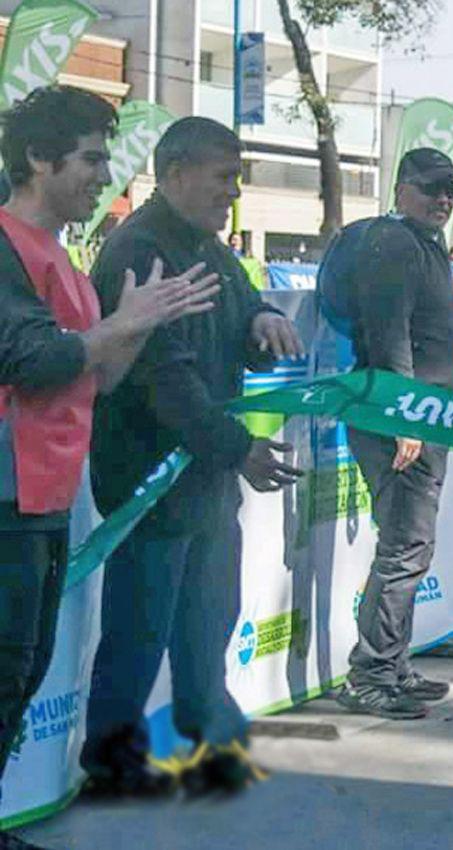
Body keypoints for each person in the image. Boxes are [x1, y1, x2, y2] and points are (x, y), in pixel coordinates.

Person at [0, 87, 221, 849]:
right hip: (9, 496)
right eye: (92, 158)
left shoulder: (63, 254)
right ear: (38, 157)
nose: (104, 175)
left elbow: (96, 380)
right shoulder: (4, 245)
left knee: (20, 675)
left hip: (48, 498)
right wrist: (124, 323)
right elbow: (34, 358)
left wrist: (132, 330)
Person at [84, 116, 305, 797]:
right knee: (138, 632)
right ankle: (111, 763)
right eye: (223, 177)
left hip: (205, 477)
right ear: (177, 172)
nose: (231, 193)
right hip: (150, 479)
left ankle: (210, 740)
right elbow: (165, 380)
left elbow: (236, 321)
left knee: (210, 616)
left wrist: (264, 317)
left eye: (236, 179)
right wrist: (239, 450)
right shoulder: (138, 251)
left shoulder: (210, 250)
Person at [330, 148, 453, 720]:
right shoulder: (393, 245)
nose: (443, 199)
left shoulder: (422, 246)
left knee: (412, 546)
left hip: (423, 417)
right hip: (401, 420)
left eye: (451, 191)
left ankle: (392, 664)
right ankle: (371, 673)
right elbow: (390, 334)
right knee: (404, 547)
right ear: (401, 189)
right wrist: (404, 416)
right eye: (432, 187)